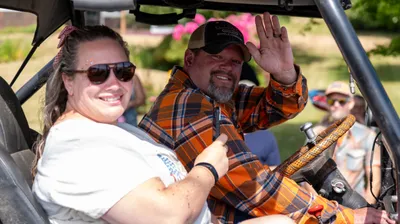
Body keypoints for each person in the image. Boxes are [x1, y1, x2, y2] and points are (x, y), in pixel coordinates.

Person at [138, 13, 394, 223]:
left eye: (236, 62)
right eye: (217, 57)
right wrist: (342, 216)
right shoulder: (189, 106)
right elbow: (253, 186)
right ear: (189, 58)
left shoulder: (212, 98)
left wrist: (284, 75)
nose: (227, 68)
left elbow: (276, 108)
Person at [31, 25, 294, 224]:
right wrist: (208, 169)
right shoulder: (75, 149)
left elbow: (271, 109)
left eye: (123, 71)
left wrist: (284, 74)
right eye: (97, 73)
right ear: (68, 80)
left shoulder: (115, 131)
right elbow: (166, 215)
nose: (114, 83)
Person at [310, 81, 381, 205]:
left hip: (354, 206)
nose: (336, 105)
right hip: (323, 205)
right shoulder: (314, 134)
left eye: (342, 101)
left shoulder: (367, 135)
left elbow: (374, 179)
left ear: (351, 103)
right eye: (331, 101)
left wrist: (366, 208)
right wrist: (318, 205)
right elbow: (306, 175)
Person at [239, 63, 281, 167]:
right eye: (239, 97)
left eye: (250, 97)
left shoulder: (266, 137)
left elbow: (275, 168)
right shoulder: (219, 131)